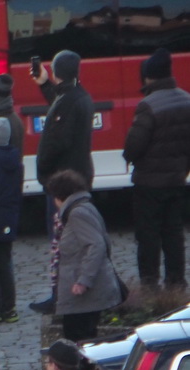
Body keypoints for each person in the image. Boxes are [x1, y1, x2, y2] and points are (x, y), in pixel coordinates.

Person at [124, 50, 190, 290]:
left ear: (149, 77)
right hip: (176, 179)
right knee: (173, 232)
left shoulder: (148, 105)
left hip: (149, 183)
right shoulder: (186, 100)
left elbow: (134, 146)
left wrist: (128, 157)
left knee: (148, 235)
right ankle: (176, 282)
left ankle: (150, 283)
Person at [45, 169, 123, 343]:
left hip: (82, 293)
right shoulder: (83, 208)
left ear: (59, 196)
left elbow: (96, 245)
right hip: (82, 293)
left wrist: (83, 280)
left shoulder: (77, 214)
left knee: (78, 339)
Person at [31, 50, 94, 188]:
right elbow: (60, 101)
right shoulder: (80, 95)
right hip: (77, 176)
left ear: (56, 72)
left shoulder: (68, 101)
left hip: (64, 181)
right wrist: (44, 83)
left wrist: (43, 167)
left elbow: (56, 141)